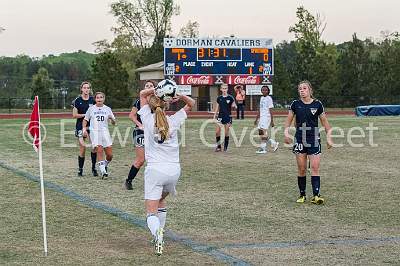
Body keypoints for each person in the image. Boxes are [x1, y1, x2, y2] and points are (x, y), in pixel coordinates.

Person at [138, 82, 195, 256]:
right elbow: (191, 104)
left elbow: (142, 94)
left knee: (150, 213)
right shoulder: (173, 120)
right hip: (174, 171)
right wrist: (179, 94)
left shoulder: (147, 119)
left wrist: (156, 91)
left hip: (156, 170)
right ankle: (159, 233)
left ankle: (157, 233)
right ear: (166, 104)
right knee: (161, 200)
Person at [284, 80, 333, 204]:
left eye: (304, 88)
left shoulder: (317, 104)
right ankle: (302, 195)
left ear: (310, 90)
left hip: (314, 139)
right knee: (302, 168)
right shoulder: (295, 104)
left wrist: (329, 137)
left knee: (315, 167)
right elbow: (288, 120)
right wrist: (286, 133)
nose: (302, 90)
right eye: (300, 88)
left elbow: (324, 122)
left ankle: (316, 195)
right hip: (300, 139)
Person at [125, 80, 155, 190]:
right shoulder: (139, 102)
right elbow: (132, 115)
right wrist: (140, 124)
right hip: (140, 132)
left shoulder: (157, 100)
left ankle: (154, 182)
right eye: (147, 86)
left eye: (151, 86)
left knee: (154, 158)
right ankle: (129, 180)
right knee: (141, 159)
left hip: (153, 132)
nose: (148, 87)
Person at [82, 92, 116, 179]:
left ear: (104, 99)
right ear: (95, 99)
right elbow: (85, 120)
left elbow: (113, 123)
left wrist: (112, 120)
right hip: (95, 132)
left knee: (110, 155)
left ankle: (105, 164)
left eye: (101, 97)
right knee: (99, 150)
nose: (99, 99)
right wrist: (84, 129)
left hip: (105, 132)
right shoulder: (91, 109)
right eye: (97, 98)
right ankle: (103, 172)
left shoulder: (108, 109)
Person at [72, 81, 97, 177]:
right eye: (85, 88)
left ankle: (94, 168)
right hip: (80, 127)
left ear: (90, 89)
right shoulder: (77, 100)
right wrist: (86, 115)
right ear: (81, 89)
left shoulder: (93, 100)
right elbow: (74, 115)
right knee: (82, 148)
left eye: (88, 88)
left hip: (92, 126)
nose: (86, 89)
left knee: (94, 147)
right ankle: (80, 169)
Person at [254, 85, 279, 154]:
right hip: (261, 118)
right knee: (261, 133)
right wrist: (256, 119)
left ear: (268, 91)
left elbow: (271, 110)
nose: (264, 91)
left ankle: (263, 149)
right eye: (263, 90)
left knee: (263, 132)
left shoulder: (269, 99)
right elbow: (260, 109)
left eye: (265, 90)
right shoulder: (261, 98)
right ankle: (273, 143)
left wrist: (272, 120)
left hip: (266, 118)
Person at [213, 83, 236, 152]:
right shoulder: (219, 98)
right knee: (217, 132)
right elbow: (217, 108)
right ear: (221, 89)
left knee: (226, 132)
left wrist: (234, 106)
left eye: (225, 88)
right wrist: (214, 116)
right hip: (220, 116)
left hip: (228, 117)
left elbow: (234, 106)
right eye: (223, 88)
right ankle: (219, 146)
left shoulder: (230, 98)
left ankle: (225, 148)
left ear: (227, 89)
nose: (224, 90)